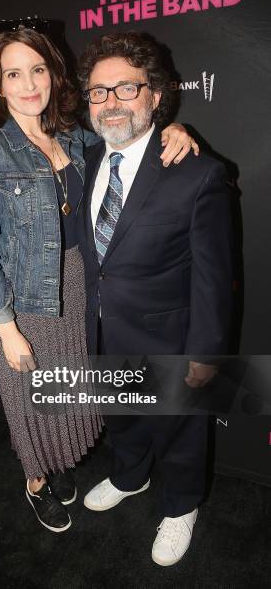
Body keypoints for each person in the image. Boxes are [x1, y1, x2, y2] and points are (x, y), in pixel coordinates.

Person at [0, 18, 198, 533]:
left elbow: (132, 135)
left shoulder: (77, 136)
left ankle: (60, 465)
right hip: (24, 303)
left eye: (38, 69)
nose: (29, 85)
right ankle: (36, 483)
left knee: (65, 397)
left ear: (53, 73)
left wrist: (175, 129)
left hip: (82, 290)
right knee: (30, 404)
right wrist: (5, 327)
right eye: (13, 75)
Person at [76, 31, 233, 564]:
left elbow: (215, 277)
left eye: (126, 89)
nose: (110, 103)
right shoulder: (85, 160)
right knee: (121, 418)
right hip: (103, 329)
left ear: (157, 95)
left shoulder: (198, 174)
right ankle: (128, 477)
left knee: (179, 428)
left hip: (170, 337)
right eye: (98, 92)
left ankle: (182, 504)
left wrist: (206, 355)